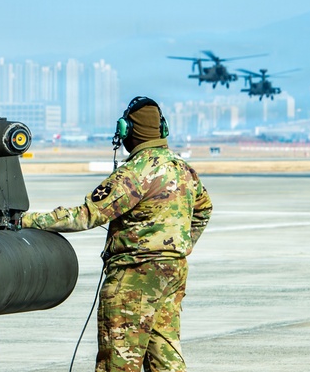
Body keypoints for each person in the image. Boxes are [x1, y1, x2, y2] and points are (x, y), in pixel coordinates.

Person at [21, 96, 213, 372]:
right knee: (165, 358)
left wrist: (26, 220)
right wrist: (179, 245)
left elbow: (87, 215)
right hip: (172, 272)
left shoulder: (134, 173)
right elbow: (204, 209)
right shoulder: (182, 169)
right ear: (162, 130)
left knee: (119, 362)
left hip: (135, 276)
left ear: (127, 132)